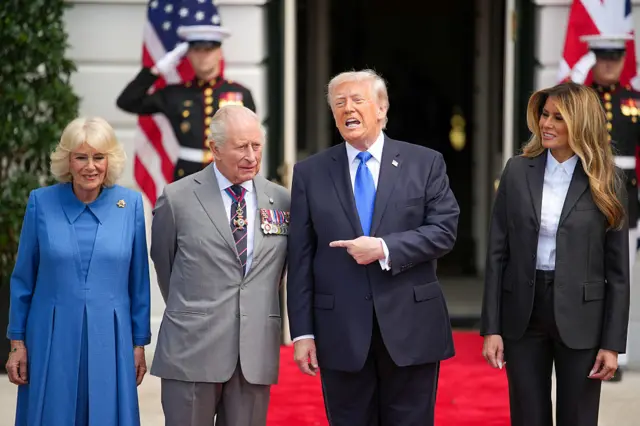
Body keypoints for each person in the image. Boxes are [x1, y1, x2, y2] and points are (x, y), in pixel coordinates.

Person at [287, 69, 460, 425]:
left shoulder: (425, 163)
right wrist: (302, 332)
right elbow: (300, 257)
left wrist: (385, 248)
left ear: (382, 109)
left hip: (411, 327)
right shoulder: (310, 173)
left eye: (357, 100)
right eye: (339, 103)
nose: (347, 108)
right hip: (340, 330)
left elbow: (444, 231)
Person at [480, 82, 630, 426]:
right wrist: (492, 327)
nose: (547, 124)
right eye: (545, 115)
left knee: (577, 418)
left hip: (583, 317)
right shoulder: (517, 170)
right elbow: (496, 254)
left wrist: (612, 344)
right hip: (523, 312)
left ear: (581, 123)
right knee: (527, 417)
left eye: (558, 118)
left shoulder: (607, 179)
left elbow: (618, 273)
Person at [5, 117, 151, 426]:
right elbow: (23, 280)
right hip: (50, 334)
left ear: (109, 161)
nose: (90, 166)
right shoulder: (40, 203)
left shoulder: (132, 205)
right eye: (81, 157)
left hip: (110, 336)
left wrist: (139, 344)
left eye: (99, 157)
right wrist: (17, 343)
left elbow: (138, 283)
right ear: (67, 161)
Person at [150, 105, 289, 426]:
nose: (252, 156)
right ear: (215, 149)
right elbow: (165, 266)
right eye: (242, 147)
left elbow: (278, 273)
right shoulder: (177, 198)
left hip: (253, 354)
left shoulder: (281, 200)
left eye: (257, 146)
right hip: (192, 350)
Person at [116, 0, 256, 181]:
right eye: (197, 49)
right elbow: (127, 101)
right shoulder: (175, 94)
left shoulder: (240, 93)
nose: (204, 55)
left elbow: (252, 140)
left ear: (219, 52)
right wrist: (155, 70)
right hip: (188, 175)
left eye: (209, 49)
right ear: (187, 54)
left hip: (231, 174)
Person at [577, 33, 640, 381]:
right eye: (603, 59)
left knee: (620, 275)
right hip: (586, 192)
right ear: (594, 59)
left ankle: (617, 353)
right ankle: (582, 345)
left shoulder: (635, 101)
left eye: (615, 59)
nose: (609, 65)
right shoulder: (582, 100)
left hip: (626, 198)